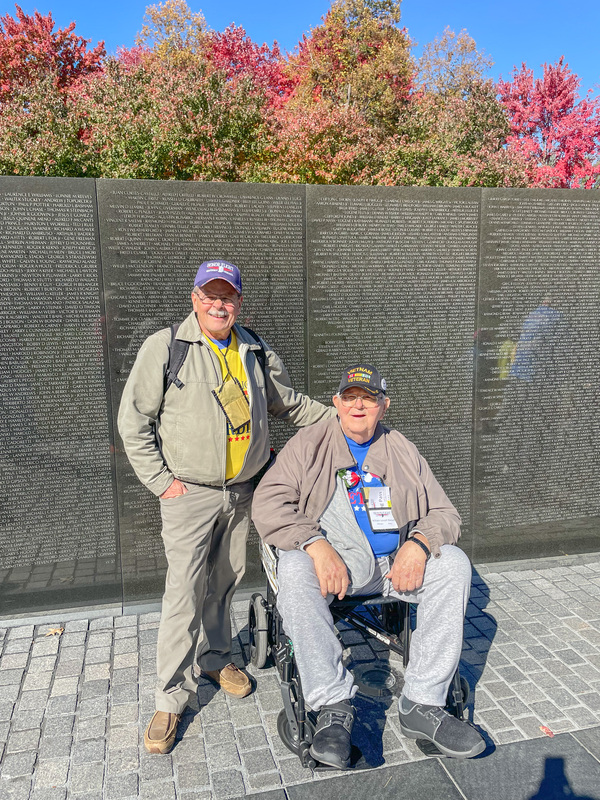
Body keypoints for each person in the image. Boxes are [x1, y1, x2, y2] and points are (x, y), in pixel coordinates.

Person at [118, 260, 334, 754]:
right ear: (195, 298)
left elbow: (290, 404)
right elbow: (134, 422)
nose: (220, 304)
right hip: (188, 495)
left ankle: (215, 657)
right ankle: (170, 699)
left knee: (227, 579)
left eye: (228, 296)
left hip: (243, 492)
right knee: (183, 592)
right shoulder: (167, 347)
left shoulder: (253, 349)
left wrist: (343, 419)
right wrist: (162, 483)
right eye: (210, 295)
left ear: (239, 302)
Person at [252, 364, 485, 769]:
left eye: (369, 398)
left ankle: (423, 702)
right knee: (293, 570)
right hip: (332, 561)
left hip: (394, 564)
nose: (359, 405)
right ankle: (332, 706)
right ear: (336, 403)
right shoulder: (308, 444)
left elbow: (445, 513)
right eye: (350, 397)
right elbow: (268, 504)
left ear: (384, 405)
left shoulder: (402, 449)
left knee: (453, 566)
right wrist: (315, 544)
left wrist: (419, 543)